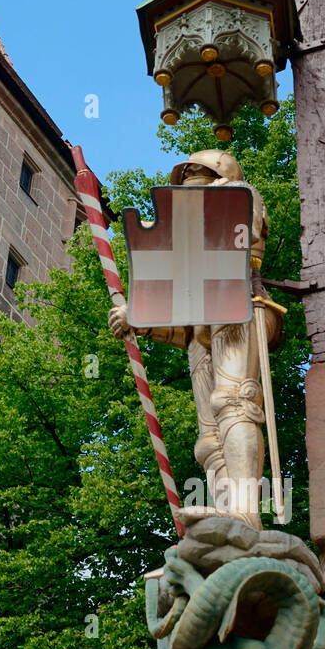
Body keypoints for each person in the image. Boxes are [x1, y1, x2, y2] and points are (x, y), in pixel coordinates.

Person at [108, 150, 282, 529]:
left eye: (194, 174)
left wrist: (141, 308)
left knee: (235, 403)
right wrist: (140, 320)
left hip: (239, 304)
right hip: (202, 322)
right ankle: (225, 515)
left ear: (217, 172)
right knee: (209, 437)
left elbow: (229, 245)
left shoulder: (238, 194)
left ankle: (245, 512)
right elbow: (180, 315)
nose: (187, 180)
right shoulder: (187, 221)